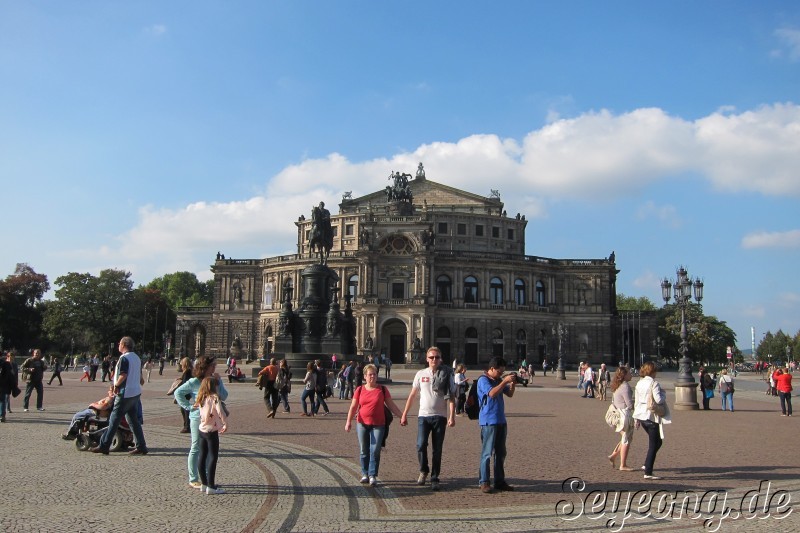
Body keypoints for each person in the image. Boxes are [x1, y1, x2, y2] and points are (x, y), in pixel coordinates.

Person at [400, 346, 456, 491]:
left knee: (437, 449)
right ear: (426, 359)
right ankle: (424, 470)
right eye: (431, 357)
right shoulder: (420, 374)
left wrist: (451, 416)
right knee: (420, 444)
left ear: (440, 359)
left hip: (440, 416)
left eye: (437, 357)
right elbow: (412, 395)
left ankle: (435, 477)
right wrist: (404, 413)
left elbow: (451, 397)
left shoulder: (447, 373)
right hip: (423, 416)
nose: (434, 360)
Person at [174, 356, 229, 489]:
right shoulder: (193, 382)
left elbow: (224, 396)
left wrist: (219, 382)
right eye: (212, 366)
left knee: (207, 450)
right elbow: (178, 392)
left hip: (211, 420)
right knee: (196, 447)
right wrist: (188, 406)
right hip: (197, 418)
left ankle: (205, 478)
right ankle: (193, 478)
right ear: (205, 368)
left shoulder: (213, 381)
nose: (214, 368)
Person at [345, 364, 403, 487]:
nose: (372, 376)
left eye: (374, 374)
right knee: (364, 450)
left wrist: (401, 415)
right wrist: (348, 421)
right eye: (370, 374)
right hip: (362, 423)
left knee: (375, 450)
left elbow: (391, 404)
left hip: (379, 424)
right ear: (365, 376)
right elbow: (353, 407)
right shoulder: (359, 390)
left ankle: (372, 475)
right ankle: (365, 473)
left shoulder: (382, 389)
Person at [90, 337, 148, 456]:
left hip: (124, 393)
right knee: (133, 421)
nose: (118, 345)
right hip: (135, 393)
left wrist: (116, 385)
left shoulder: (124, 358)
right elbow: (141, 379)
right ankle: (141, 446)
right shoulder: (137, 358)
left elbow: (123, 374)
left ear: (123, 345)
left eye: (119, 343)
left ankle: (104, 445)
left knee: (114, 419)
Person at [477, 356, 516, 493]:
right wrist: (504, 381)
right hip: (488, 421)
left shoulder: (498, 380)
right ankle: (484, 481)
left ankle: (499, 481)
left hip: (500, 420)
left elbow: (509, 394)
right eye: (499, 372)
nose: (501, 374)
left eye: (503, 372)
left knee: (501, 453)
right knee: (487, 453)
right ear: (491, 368)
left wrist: (512, 384)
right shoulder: (483, 380)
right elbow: (492, 393)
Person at [633, 361, 670, 480]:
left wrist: (636, 418)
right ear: (652, 371)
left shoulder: (639, 383)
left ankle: (646, 464)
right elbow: (659, 400)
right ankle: (648, 471)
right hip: (651, 416)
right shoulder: (654, 383)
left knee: (657, 442)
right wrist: (664, 394)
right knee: (653, 445)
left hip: (642, 416)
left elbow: (637, 401)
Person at [195, 376, 228, 494]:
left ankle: (204, 483)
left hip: (202, 429)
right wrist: (225, 424)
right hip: (211, 431)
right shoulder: (214, 398)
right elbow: (220, 412)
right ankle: (211, 486)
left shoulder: (201, 397)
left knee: (202, 456)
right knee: (213, 457)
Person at [607, 367, 635, 471]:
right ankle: (623, 465)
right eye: (629, 373)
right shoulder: (625, 387)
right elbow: (629, 404)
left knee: (625, 438)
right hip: (624, 415)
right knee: (626, 439)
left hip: (618, 414)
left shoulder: (617, 385)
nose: (631, 374)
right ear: (624, 375)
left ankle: (613, 456)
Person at [1, 353, 19, 422]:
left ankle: (6, 410)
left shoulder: (14, 364)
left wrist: (15, 382)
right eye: (10, 357)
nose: (11, 358)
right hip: (5, 383)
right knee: (3, 398)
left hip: (8, 383)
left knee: (6, 397)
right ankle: (3, 413)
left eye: (13, 357)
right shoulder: (5, 363)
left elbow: (15, 374)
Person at [177, 357, 193, 433]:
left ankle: (187, 426)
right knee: (184, 409)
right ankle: (187, 426)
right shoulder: (188, 371)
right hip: (187, 393)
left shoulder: (187, 372)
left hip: (185, 393)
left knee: (185, 409)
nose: (181, 366)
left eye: (181, 364)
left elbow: (185, 383)